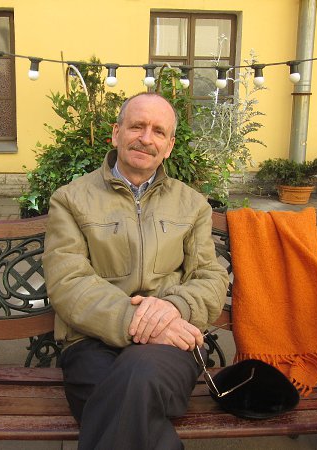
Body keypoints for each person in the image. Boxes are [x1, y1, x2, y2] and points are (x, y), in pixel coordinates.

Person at [42, 92, 229, 450]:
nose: (146, 138)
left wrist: (173, 308)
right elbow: (68, 282)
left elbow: (211, 277)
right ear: (116, 133)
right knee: (132, 396)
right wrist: (140, 321)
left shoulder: (192, 204)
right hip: (91, 342)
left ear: (169, 146)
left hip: (171, 344)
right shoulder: (71, 199)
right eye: (137, 126)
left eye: (159, 131)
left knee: (133, 379)